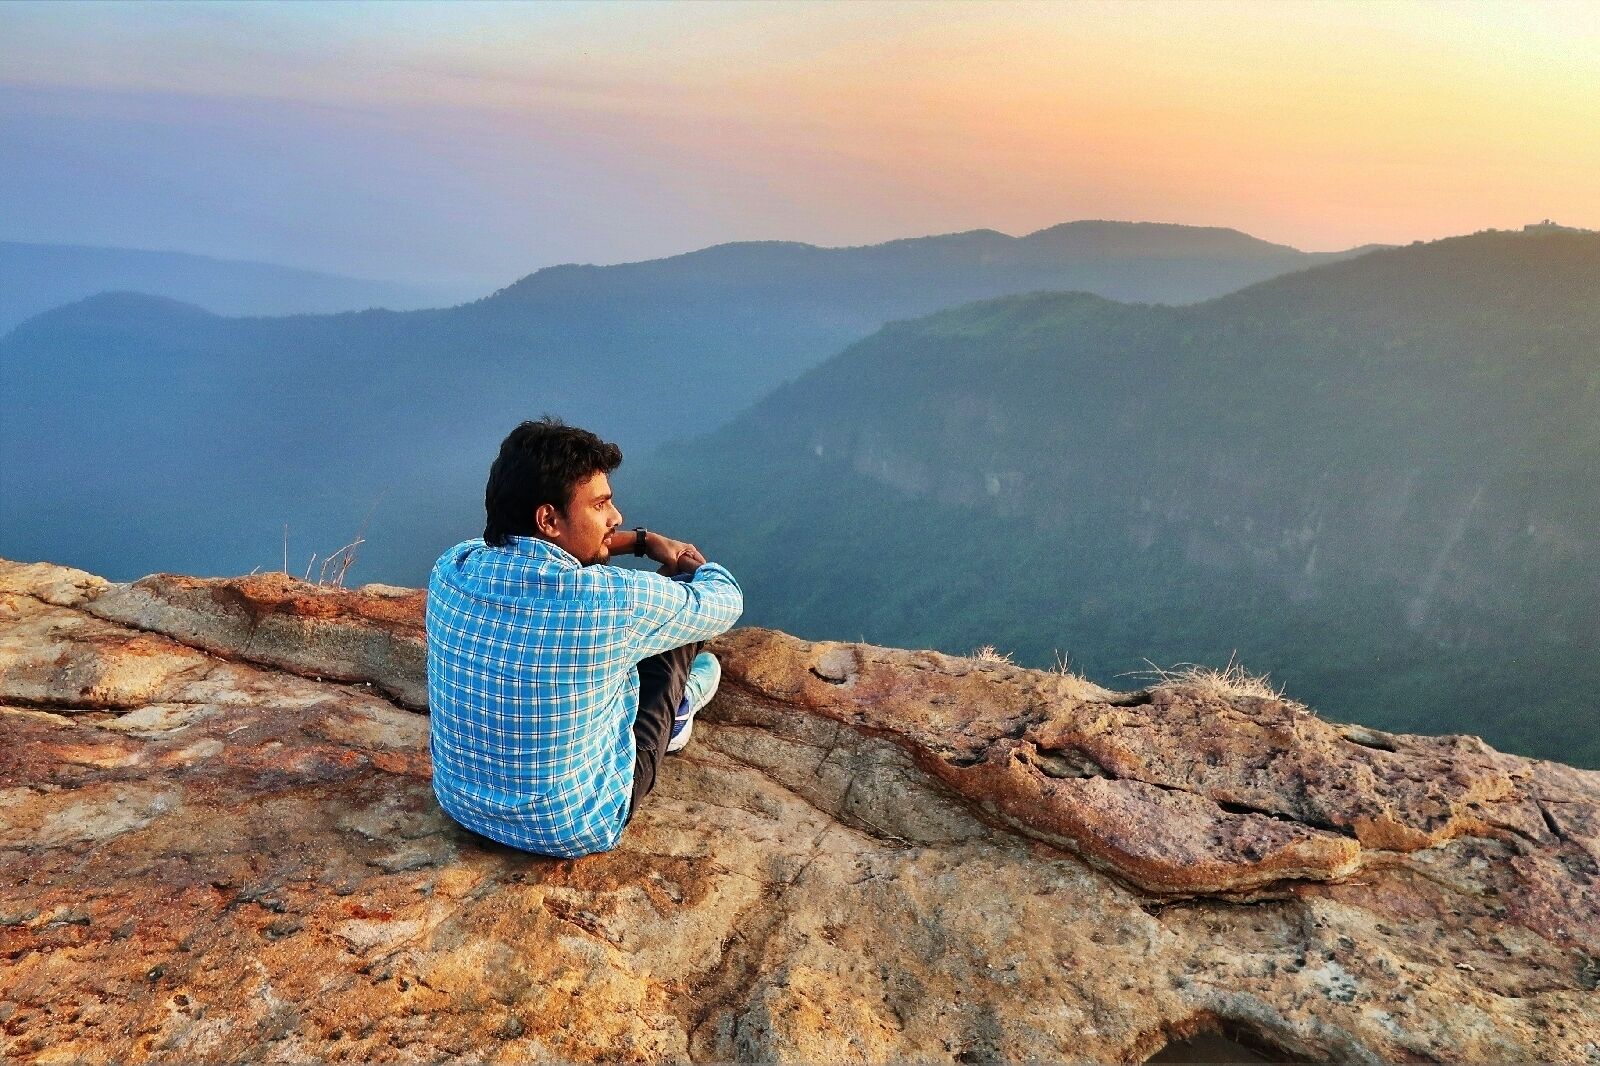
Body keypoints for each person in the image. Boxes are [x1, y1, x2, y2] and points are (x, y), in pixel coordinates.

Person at [425, 417, 743, 858]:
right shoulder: (610, 602)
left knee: (605, 647)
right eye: (600, 506)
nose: (616, 517)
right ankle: (676, 713)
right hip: (571, 826)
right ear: (548, 519)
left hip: (461, 803)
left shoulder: (452, 569)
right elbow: (725, 600)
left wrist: (636, 541)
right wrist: (683, 562)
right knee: (675, 626)